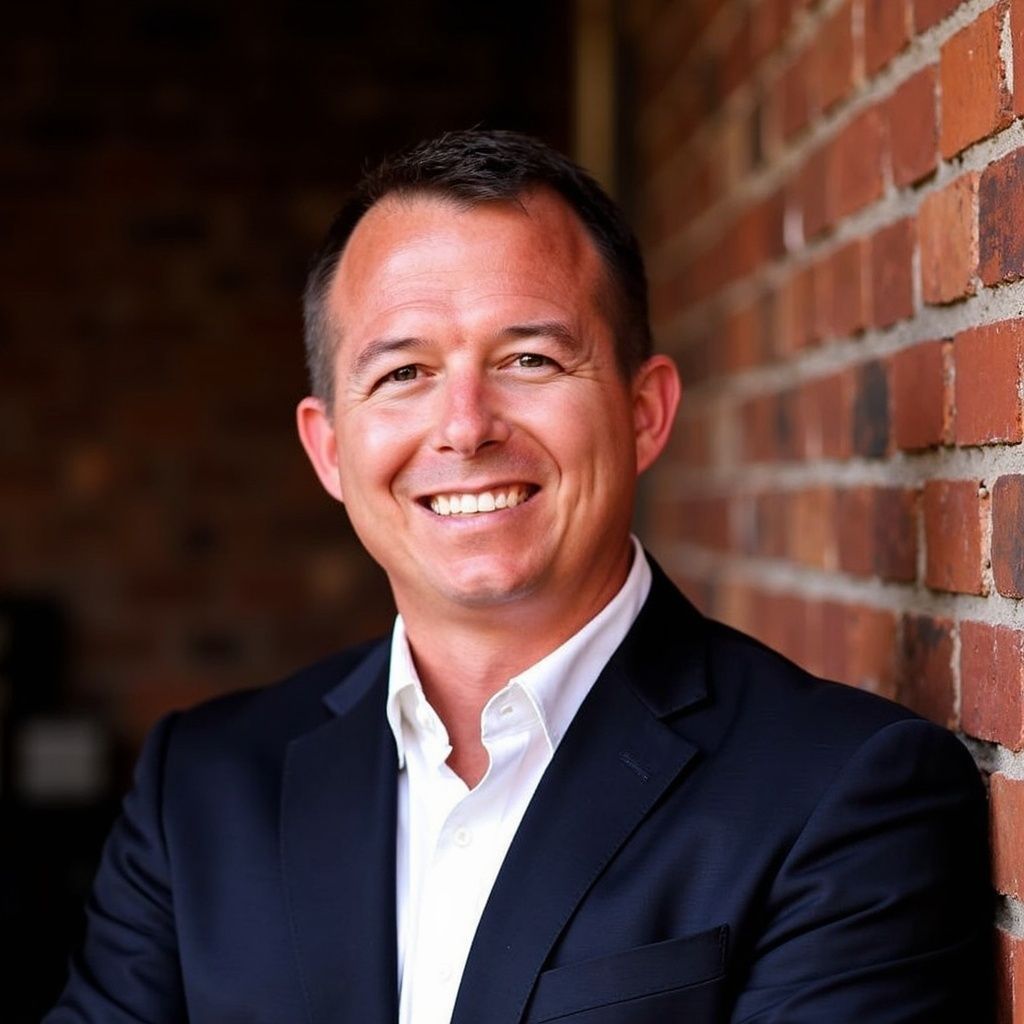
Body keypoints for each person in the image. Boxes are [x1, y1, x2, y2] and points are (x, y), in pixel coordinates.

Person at [46, 130, 990, 1023]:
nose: (466, 426)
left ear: (645, 412)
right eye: (404, 373)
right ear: (328, 448)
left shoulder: (843, 793)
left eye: (529, 359)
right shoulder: (199, 790)